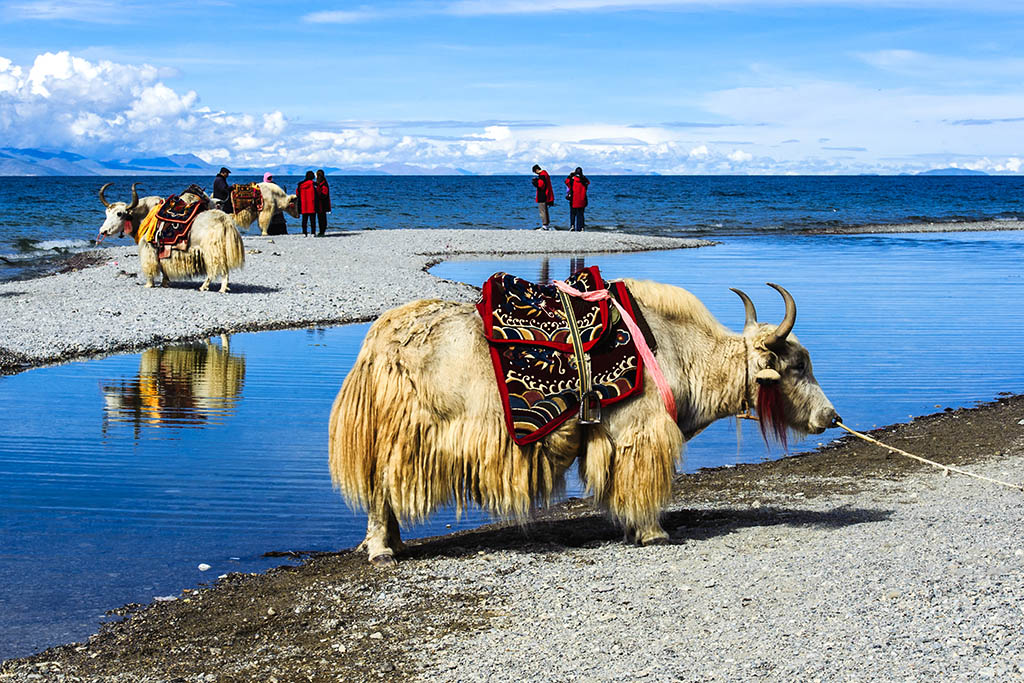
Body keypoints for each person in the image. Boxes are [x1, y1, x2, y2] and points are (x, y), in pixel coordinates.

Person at [564, 167, 590, 232]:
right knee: (581, 214)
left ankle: (572, 226)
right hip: (582, 200)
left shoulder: (572, 181)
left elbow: (566, 181)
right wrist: (583, 176)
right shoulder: (584, 181)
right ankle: (581, 228)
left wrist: (570, 175)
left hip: (573, 199)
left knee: (573, 213)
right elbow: (588, 182)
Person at [531, 164, 555, 230]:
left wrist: (535, 182)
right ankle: (547, 223)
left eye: (535, 172)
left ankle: (545, 225)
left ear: (537, 170)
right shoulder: (545, 174)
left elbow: (541, 185)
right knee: (545, 210)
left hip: (542, 195)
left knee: (542, 210)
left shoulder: (542, 175)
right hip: (546, 195)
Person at [296, 170, 317, 236]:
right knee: (312, 220)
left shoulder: (300, 185)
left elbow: (297, 193)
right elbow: (318, 193)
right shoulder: (313, 184)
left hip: (303, 205)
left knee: (304, 220)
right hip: (312, 204)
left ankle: (304, 233)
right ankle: (313, 233)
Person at [314, 169, 331, 237]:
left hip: (322, 204)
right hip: (321, 204)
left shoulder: (323, 184)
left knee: (322, 218)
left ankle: (322, 231)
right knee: (321, 218)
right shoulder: (322, 183)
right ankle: (321, 231)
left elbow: (324, 194)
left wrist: (317, 194)